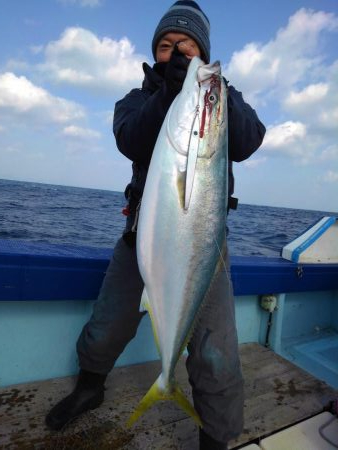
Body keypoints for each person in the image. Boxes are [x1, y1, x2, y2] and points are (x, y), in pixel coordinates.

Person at [45, 2, 266, 449]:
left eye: (185, 44)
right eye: (165, 46)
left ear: (202, 51)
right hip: (143, 237)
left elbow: (248, 140)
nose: (175, 52)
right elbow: (131, 139)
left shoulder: (218, 95)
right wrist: (169, 91)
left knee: (215, 352)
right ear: (155, 53)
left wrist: (213, 87)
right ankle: (90, 384)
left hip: (205, 245)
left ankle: (217, 437)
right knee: (108, 323)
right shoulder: (139, 99)